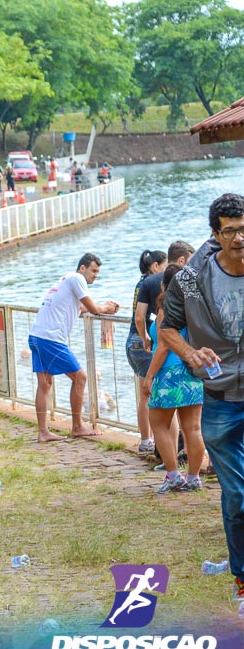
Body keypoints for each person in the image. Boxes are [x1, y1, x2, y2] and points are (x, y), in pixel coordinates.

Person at [160, 194, 244, 600]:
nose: (240, 238)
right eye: (230, 230)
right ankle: (243, 582)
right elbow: (167, 328)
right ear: (215, 234)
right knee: (237, 496)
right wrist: (191, 353)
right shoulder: (191, 280)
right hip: (221, 397)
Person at [28, 253, 120, 442]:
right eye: (93, 271)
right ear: (82, 268)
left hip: (36, 335)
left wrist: (103, 307)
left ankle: (43, 432)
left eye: (98, 272)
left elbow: (80, 308)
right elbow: (93, 308)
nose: (96, 275)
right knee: (80, 377)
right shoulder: (77, 278)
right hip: (50, 338)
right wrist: (103, 307)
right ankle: (77, 427)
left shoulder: (67, 280)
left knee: (44, 384)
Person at [143, 266, 204, 494]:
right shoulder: (196, 306)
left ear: (164, 285)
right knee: (193, 427)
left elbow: (164, 346)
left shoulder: (166, 306)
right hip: (192, 370)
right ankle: (194, 477)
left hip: (169, 372)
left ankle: (173, 475)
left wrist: (149, 376)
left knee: (158, 422)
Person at [126, 250, 167, 456]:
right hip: (144, 340)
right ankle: (153, 442)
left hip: (131, 340)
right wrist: (146, 338)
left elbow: (137, 315)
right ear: (156, 266)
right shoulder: (154, 283)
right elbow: (141, 318)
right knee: (150, 394)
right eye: (164, 266)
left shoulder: (141, 283)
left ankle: (146, 440)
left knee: (144, 394)